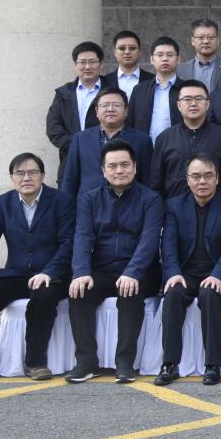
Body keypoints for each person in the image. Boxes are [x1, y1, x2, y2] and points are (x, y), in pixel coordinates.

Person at [0, 154, 71, 382]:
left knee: (43, 297)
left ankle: (35, 363)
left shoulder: (61, 201)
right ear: (12, 178)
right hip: (16, 273)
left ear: (42, 176)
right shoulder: (2, 203)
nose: (26, 178)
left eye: (32, 172)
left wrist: (49, 272)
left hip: (52, 275)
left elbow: (68, 244)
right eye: (20, 173)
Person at [66, 140, 163, 383]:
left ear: (135, 167)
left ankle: (125, 362)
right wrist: (81, 271)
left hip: (141, 272)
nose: (119, 170)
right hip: (102, 269)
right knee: (79, 292)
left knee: (130, 291)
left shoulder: (151, 199)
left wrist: (133, 272)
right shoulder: (89, 199)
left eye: (124, 165)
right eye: (112, 166)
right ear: (103, 170)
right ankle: (86, 361)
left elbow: (149, 240)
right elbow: (82, 237)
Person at [154, 155, 221, 387]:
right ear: (187, 179)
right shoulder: (174, 205)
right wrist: (173, 273)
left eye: (208, 176)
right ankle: (169, 364)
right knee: (172, 293)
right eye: (196, 176)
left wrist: (218, 275)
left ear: (217, 178)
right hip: (185, 273)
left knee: (210, 295)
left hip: (216, 273)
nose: (202, 181)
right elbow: (168, 244)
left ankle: (212, 365)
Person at [59, 86, 153, 202]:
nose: (110, 109)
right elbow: (70, 179)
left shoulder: (142, 140)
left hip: (130, 205)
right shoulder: (81, 139)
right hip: (88, 206)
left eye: (116, 105)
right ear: (96, 111)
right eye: (105, 105)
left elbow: (147, 181)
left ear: (126, 110)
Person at [148, 80, 221, 202]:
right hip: (173, 209)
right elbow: (156, 183)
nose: (193, 103)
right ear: (179, 105)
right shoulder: (164, 138)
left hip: (216, 208)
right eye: (187, 99)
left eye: (199, 99)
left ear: (208, 104)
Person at [45, 41, 104, 179]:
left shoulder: (113, 91)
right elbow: (53, 129)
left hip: (105, 163)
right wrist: (78, 145)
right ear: (75, 65)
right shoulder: (63, 93)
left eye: (92, 62)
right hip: (70, 163)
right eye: (82, 62)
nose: (87, 66)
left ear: (101, 64)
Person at [128, 36, 181, 143]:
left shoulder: (186, 89)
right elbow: (130, 123)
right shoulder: (139, 90)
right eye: (160, 55)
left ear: (178, 59)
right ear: (152, 59)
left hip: (177, 147)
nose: (165, 58)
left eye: (170, 55)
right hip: (144, 148)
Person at [176, 18, 221, 94]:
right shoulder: (179, 69)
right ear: (193, 41)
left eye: (210, 37)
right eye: (201, 37)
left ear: (218, 41)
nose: (206, 41)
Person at [102, 30, 152, 101]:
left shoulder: (152, 80)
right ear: (115, 52)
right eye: (122, 48)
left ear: (139, 51)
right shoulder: (104, 81)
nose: (127, 52)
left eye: (132, 48)